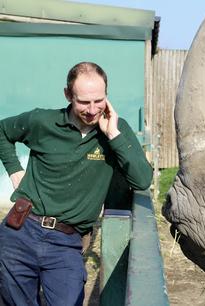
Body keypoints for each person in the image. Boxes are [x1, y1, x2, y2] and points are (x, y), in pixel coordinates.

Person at [0, 62, 153, 305]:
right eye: (83, 102)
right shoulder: (43, 121)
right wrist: (14, 170)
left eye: (99, 100)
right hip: (21, 231)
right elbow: (3, 132)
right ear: (68, 95)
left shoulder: (116, 130)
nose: (92, 110)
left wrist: (113, 136)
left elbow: (143, 179)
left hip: (66, 241)